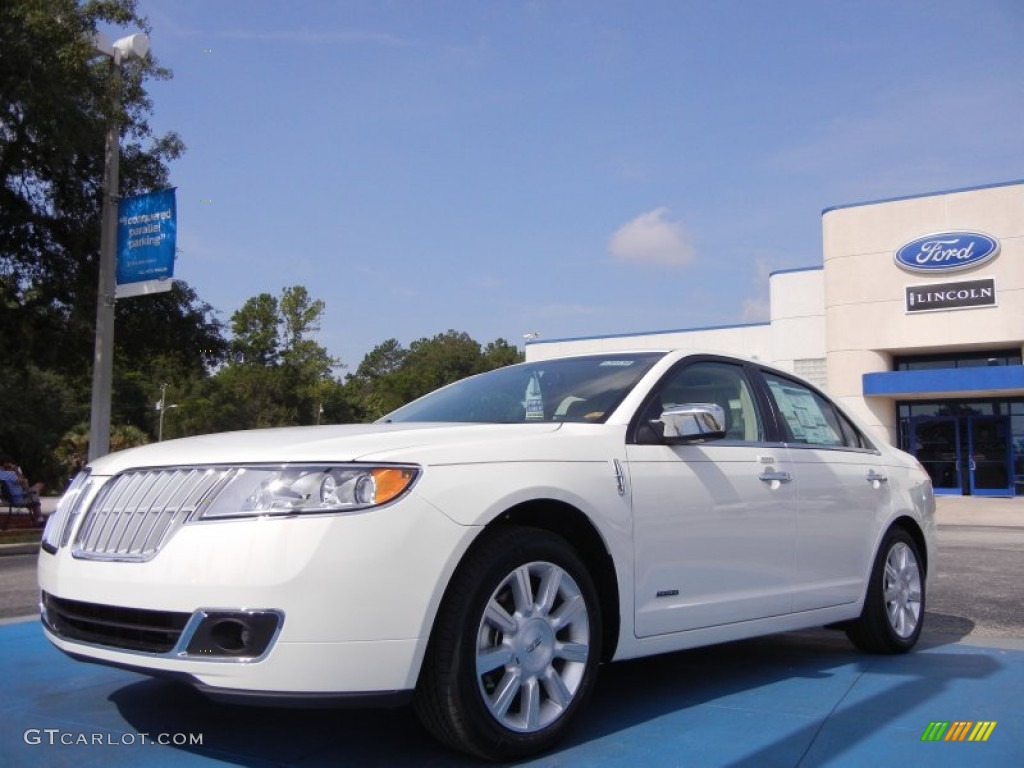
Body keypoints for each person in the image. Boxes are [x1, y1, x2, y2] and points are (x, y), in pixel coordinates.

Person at [0, 457, 45, 526]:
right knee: (36, 495)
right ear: (6, 464)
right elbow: (24, 482)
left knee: (36, 490)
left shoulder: (1, 474)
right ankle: (39, 518)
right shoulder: (11, 474)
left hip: (7, 499)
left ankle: (38, 516)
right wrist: (17, 471)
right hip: (17, 499)